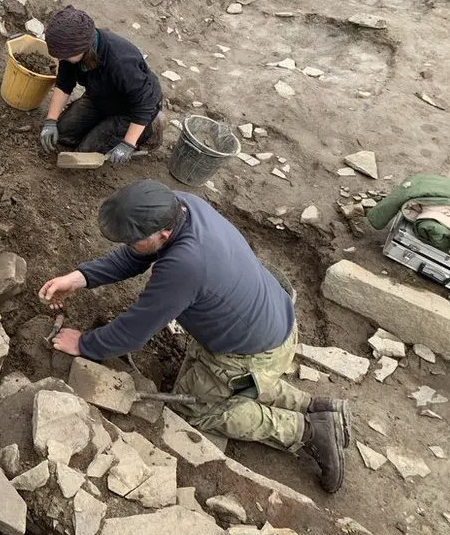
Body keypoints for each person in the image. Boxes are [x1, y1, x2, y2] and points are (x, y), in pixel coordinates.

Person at [38, 180, 351, 493]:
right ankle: (316, 406)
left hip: (252, 353)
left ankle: (309, 431)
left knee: (196, 409)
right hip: (270, 322)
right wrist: (81, 278)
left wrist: (83, 344)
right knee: (221, 383)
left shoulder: (185, 266)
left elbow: (133, 332)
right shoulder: (180, 205)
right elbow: (137, 255)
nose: (128, 244)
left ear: (161, 233)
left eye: (132, 239)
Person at [38, 6, 165, 164]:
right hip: (99, 97)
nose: (61, 59)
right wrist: (51, 121)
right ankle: (102, 124)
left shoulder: (120, 62)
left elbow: (145, 102)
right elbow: (64, 83)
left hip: (130, 110)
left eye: (65, 56)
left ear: (84, 48)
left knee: (85, 152)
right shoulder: (72, 51)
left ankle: (147, 129)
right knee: (63, 134)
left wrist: (128, 144)